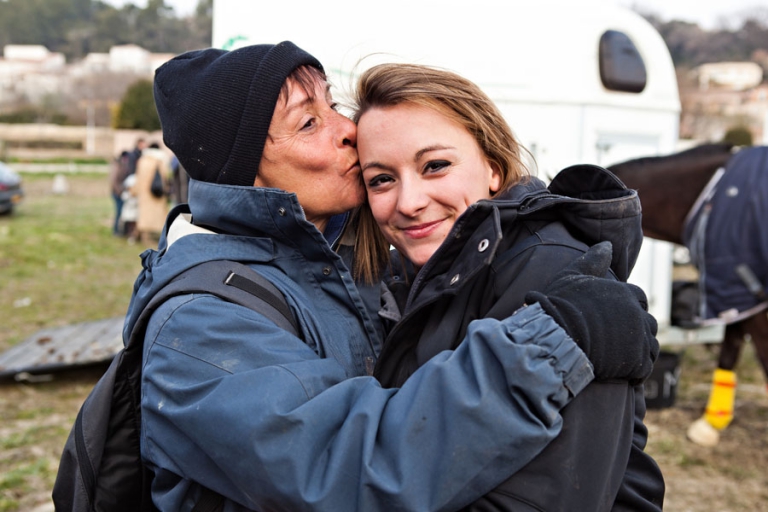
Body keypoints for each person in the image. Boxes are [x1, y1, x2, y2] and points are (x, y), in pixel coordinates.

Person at [133, 42, 658, 511]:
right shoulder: (199, 323)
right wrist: (554, 343)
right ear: (245, 171)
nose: (348, 131)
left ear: (493, 164)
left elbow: (614, 471)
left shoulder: (352, 269)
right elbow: (344, 469)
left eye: (332, 106)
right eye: (309, 122)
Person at [353, 62, 664, 511]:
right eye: (381, 179)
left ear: (494, 170)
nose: (409, 202)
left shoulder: (555, 268)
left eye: (435, 166)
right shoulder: (408, 277)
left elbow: (550, 497)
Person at [130, 142, 171, 246]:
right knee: (157, 216)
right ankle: (159, 236)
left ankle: (144, 236)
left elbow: (138, 177)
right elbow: (165, 177)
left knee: (144, 215)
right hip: (157, 193)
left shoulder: (143, 161)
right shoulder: (160, 161)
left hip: (144, 194)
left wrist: (134, 191)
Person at [108, 150, 131, 235]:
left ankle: (120, 230)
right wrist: (119, 192)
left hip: (120, 192)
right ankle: (116, 231)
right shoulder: (117, 165)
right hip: (117, 193)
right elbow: (114, 181)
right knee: (118, 212)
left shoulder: (122, 165)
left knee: (121, 213)